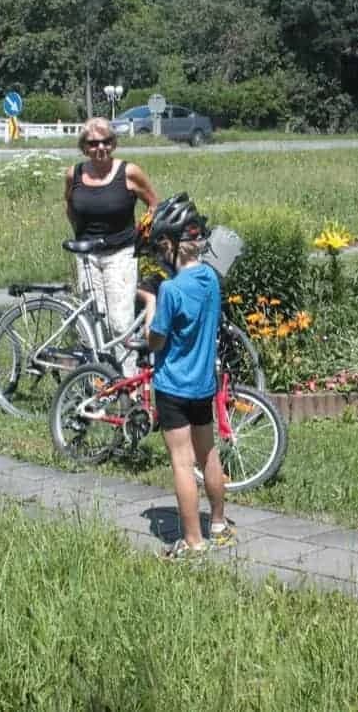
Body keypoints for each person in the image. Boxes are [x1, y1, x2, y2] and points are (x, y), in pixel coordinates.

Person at [145, 193, 232, 559]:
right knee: (208, 453)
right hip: (202, 386)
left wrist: (150, 304)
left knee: (182, 462)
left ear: (171, 244)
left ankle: (193, 542)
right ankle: (218, 525)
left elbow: (155, 340)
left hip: (173, 386)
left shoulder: (170, 290)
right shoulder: (211, 279)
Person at [63, 117, 158, 370]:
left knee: (119, 323)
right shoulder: (75, 174)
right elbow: (70, 208)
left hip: (121, 252)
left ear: (113, 143)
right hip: (86, 255)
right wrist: (81, 237)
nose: (100, 148)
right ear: (84, 147)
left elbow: (153, 203)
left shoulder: (129, 172)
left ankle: (130, 387)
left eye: (106, 142)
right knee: (95, 323)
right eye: (93, 143)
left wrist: (144, 230)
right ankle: (101, 383)